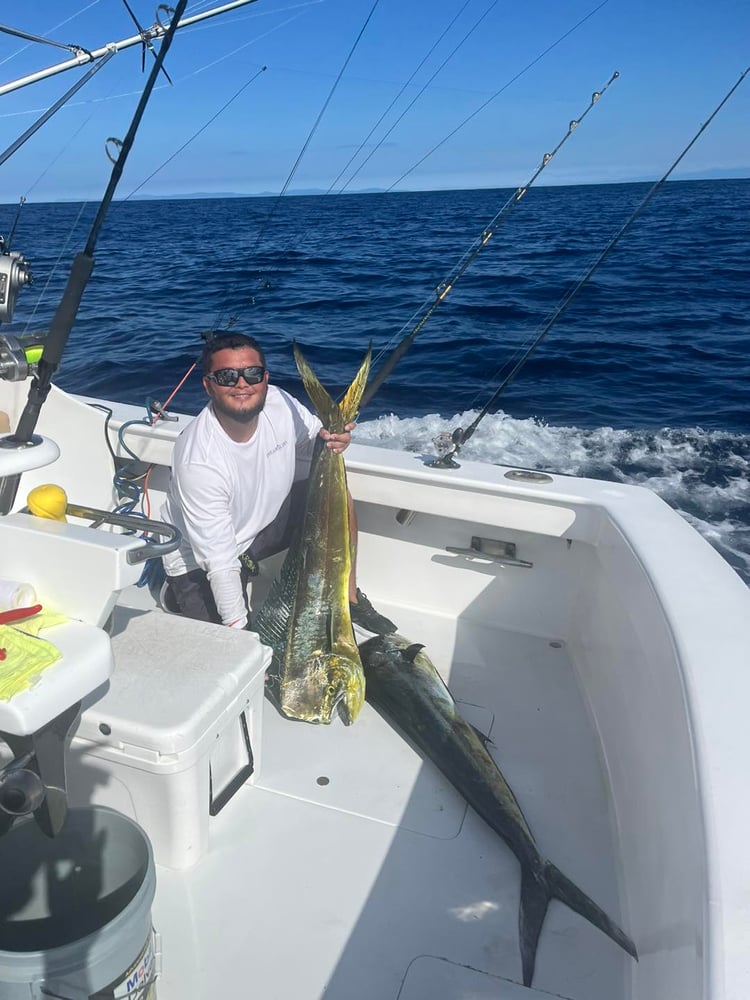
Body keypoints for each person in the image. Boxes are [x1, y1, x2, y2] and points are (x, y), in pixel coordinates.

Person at [160, 332, 396, 635]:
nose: (242, 384)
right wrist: (242, 636)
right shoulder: (199, 459)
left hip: (256, 531)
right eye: (227, 376)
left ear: (265, 378)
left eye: (252, 374)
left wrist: (335, 438)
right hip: (200, 560)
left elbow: (315, 439)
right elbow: (219, 562)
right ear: (208, 385)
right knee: (226, 651)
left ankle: (349, 598)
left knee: (335, 495)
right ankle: (176, 590)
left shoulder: (279, 402)